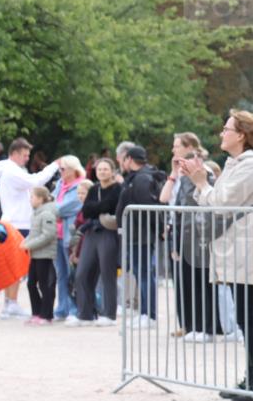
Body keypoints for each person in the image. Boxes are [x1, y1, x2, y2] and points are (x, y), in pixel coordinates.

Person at [181, 109, 253, 401]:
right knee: (244, 317)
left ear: (242, 135)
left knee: (249, 318)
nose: (222, 133)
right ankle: (249, 377)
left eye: (227, 129)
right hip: (235, 250)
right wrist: (202, 183)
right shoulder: (234, 164)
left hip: (245, 250)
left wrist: (201, 182)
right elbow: (212, 202)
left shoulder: (249, 166)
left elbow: (222, 203)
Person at [160, 133, 222, 342]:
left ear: (189, 147)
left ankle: (206, 326)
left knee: (199, 279)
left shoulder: (199, 170)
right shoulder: (179, 172)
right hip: (178, 230)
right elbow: (164, 198)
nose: (173, 150)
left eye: (177, 146)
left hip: (194, 232)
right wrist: (172, 173)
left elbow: (193, 204)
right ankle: (189, 324)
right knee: (183, 279)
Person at [0, 138, 59, 319]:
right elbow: (36, 181)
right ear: (14, 153)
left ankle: (9, 303)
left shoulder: (9, 170)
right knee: (17, 265)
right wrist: (54, 166)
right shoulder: (11, 171)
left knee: (13, 264)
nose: (27, 158)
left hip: (13, 221)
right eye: (24, 155)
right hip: (18, 222)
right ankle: (12, 303)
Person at [67, 158, 121, 327]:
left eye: (106, 169)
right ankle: (85, 314)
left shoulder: (118, 188)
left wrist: (97, 207)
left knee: (107, 274)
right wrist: (100, 207)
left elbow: (112, 205)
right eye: (99, 169)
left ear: (112, 171)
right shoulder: (94, 188)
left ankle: (109, 314)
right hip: (91, 233)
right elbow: (87, 210)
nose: (102, 172)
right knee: (82, 272)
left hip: (108, 232)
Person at [116, 145, 166, 327]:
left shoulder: (142, 179)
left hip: (142, 235)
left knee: (145, 274)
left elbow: (149, 208)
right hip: (136, 235)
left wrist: (159, 229)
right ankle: (145, 312)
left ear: (129, 159)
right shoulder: (137, 177)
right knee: (141, 273)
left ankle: (149, 314)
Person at [51, 155, 85, 322]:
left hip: (70, 236)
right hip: (56, 235)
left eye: (63, 169)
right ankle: (62, 308)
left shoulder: (80, 186)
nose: (60, 172)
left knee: (72, 274)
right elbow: (49, 203)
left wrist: (51, 210)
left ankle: (74, 308)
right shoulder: (59, 185)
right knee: (61, 274)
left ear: (73, 169)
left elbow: (65, 208)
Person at [20, 187, 59, 325]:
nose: (30, 199)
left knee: (45, 285)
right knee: (31, 284)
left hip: (45, 255)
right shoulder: (35, 214)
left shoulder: (47, 214)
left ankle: (46, 315)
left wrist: (30, 245)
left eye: (32, 197)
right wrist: (25, 242)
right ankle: (36, 313)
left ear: (41, 198)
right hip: (35, 255)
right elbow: (34, 233)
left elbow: (48, 235)